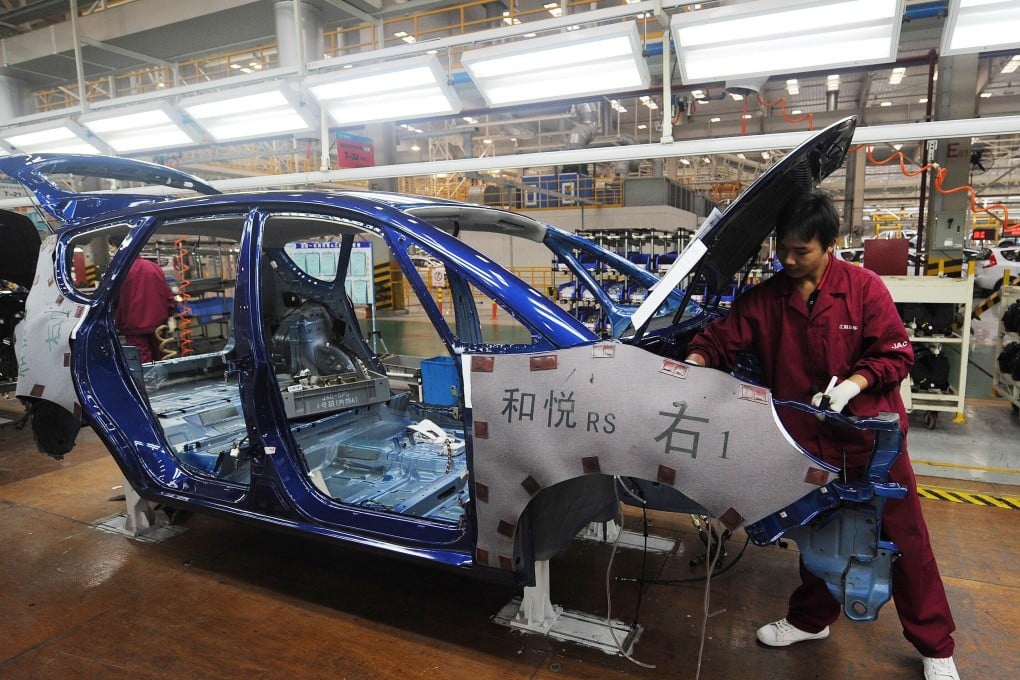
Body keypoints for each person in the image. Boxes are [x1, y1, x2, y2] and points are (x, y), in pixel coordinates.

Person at [684, 189, 959, 680]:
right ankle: (812, 620)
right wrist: (693, 365)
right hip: (807, 441)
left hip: (870, 442)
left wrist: (852, 386)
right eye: (782, 250)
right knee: (815, 532)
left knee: (905, 541)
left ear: (829, 244)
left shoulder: (864, 288)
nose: (787, 260)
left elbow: (897, 353)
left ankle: (935, 646)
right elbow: (720, 341)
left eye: (800, 251)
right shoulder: (766, 300)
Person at [111, 236, 177, 363]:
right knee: (162, 358)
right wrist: (171, 313)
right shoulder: (154, 267)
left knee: (142, 362)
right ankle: (164, 381)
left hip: (133, 326)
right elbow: (167, 295)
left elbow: (113, 300)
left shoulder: (118, 271)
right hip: (158, 325)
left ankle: (149, 382)